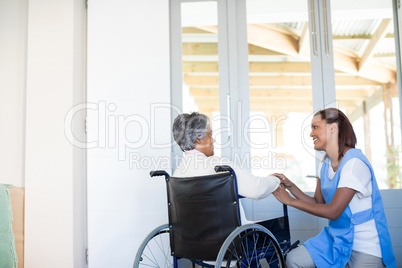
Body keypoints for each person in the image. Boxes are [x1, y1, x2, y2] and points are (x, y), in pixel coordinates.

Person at [272, 108, 396, 268]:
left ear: (333, 128)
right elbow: (318, 202)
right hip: (336, 238)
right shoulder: (324, 164)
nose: (311, 134)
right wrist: (291, 187)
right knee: (294, 259)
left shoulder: (354, 163)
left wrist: (289, 200)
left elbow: (333, 211)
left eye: (315, 127)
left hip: (365, 246)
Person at [172, 112, 280, 223]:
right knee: (278, 228)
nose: (213, 140)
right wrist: (276, 180)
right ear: (199, 139)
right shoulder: (218, 166)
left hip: (193, 238)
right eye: (210, 135)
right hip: (230, 236)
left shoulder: (177, 174)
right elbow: (256, 189)